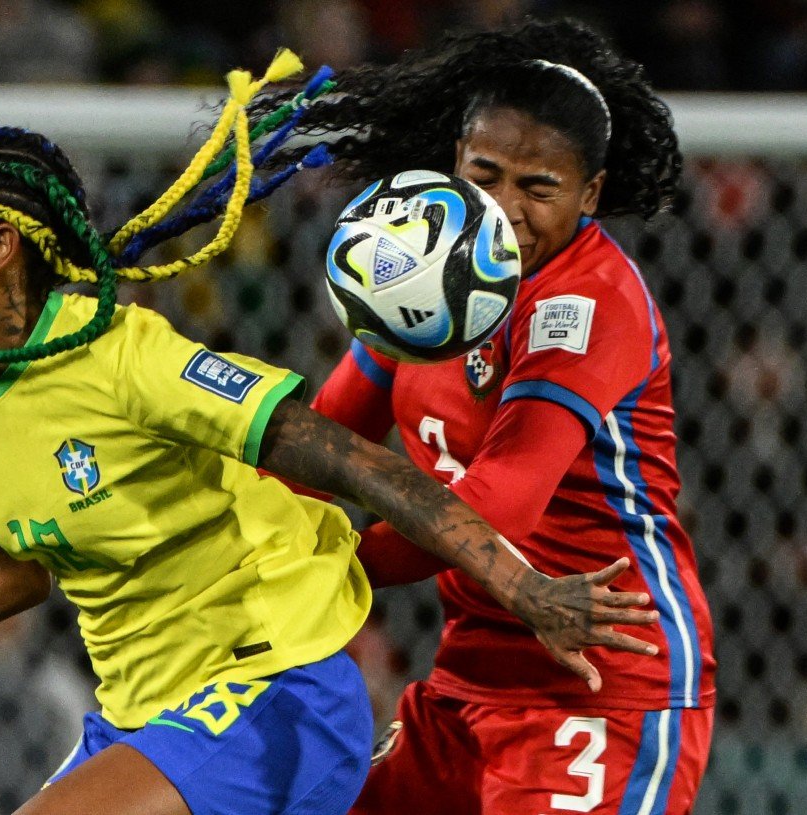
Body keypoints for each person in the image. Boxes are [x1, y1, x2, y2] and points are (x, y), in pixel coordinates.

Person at [0, 56, 658, 815]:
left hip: (271, 691)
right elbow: (1, 567)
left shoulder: (133, 361)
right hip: (151, 713)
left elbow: (359, 465)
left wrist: (482, 578)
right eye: (485, 174)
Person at [269, 18, 718, 815]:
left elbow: (499, 505)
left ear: (590, 195)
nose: (504, 207)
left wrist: (324, 570)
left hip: (601, 680)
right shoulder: (426, 266)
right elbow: (322, 446)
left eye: (538, 188)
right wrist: (253, 539)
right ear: (455, 162)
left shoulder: (588, 300)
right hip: (469, 676)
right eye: (486, 173)